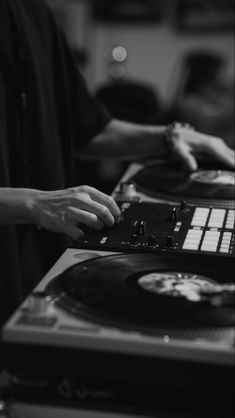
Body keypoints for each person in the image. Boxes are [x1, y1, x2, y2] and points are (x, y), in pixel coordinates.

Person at [0, 0, 234, 326]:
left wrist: (168, 137)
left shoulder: (32, 12)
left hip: (37, 270)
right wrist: (29, 201)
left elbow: (89, 129)